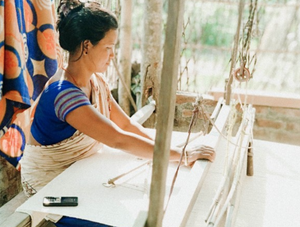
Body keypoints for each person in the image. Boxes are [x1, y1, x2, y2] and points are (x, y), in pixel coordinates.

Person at [20, 0, 215, 226]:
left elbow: (127, 126)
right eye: (109, 48)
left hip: (76, 172)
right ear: (86, 46)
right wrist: (180, 156)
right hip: (49, 186)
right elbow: (118, 139)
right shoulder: (63, 94)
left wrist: (171, 150)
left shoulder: (96, 83)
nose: (112, 55)